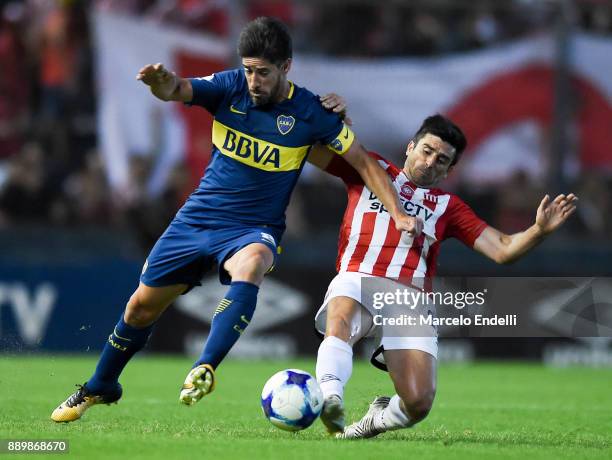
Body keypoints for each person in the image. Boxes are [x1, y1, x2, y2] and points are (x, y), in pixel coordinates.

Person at [50, 17, 420, 423]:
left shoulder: (312, 112)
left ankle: (204, 366)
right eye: (248, 69)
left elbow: (364, 163)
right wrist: (163, 83)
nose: (254, 80)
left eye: (263, 72)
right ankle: (101, 386)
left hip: (253, 228)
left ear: (286, 68)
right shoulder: (229, 87)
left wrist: (399, 214)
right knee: (140, 309)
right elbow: (179, 89)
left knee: (254, 262)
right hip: (196, 219)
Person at [307, 114, 578, 437]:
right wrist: (325, 120)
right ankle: (330, 397)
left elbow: (503, 249)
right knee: (341, 315)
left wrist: (538, 230)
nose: (430, 161)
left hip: (408, 296)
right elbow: (311, 151)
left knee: (418, 403)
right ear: (410, 147)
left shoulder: (448, 208)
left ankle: (372, 422)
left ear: (450, 171)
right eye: (426, 150)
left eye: (442, 160)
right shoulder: (371, 168)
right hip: (358, 275)